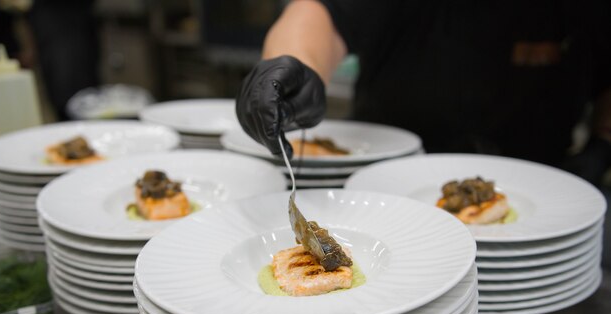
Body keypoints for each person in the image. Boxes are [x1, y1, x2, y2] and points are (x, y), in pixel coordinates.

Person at [235, 0, 611, 184]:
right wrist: (294, 68)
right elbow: (321, 15)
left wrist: (602, 144)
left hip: (542, 193)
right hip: (381, 184)